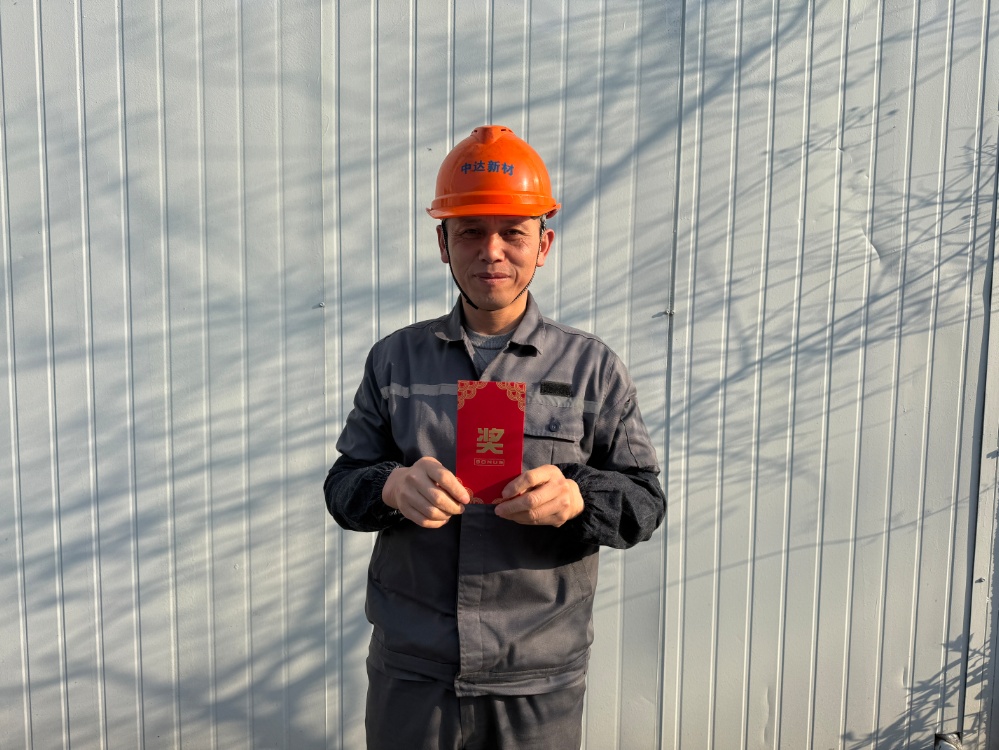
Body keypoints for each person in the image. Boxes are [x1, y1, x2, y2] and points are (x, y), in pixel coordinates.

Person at [324, 125, 666, 749]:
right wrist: (390, 487)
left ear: (544, 244)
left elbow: (644, 504)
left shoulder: (591, 369)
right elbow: (343, 487)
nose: (492, 251)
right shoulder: (395, 362)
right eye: (470, 232)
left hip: (538, 679)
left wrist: (580, 497)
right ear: (443, 243)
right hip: (413, 672)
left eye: (513, 232)